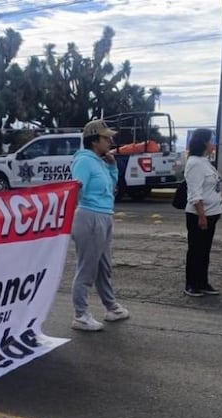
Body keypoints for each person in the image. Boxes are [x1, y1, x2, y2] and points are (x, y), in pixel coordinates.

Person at [69, 119, 129, 330]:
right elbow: (77, 189)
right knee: (87, 268)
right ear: (94, 141)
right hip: (90, 217)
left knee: (103, 267)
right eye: (106, 138)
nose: (110, 141)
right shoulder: (84, 161)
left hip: (103, 215)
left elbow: (110, 188)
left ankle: (111, 307)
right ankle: (80, 315)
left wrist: (112, 167)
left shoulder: (99, 162)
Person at [183, 128, 222, 296]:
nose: (214, 144)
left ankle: (202, 282)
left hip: (211, 213)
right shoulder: (194, 163)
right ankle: (191, 283)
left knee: (204, 251)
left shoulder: (205, 162)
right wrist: (202, 215)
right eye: (211, 141)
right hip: (199, 215)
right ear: (204, 143)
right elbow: (195, 193)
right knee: (196, 250)